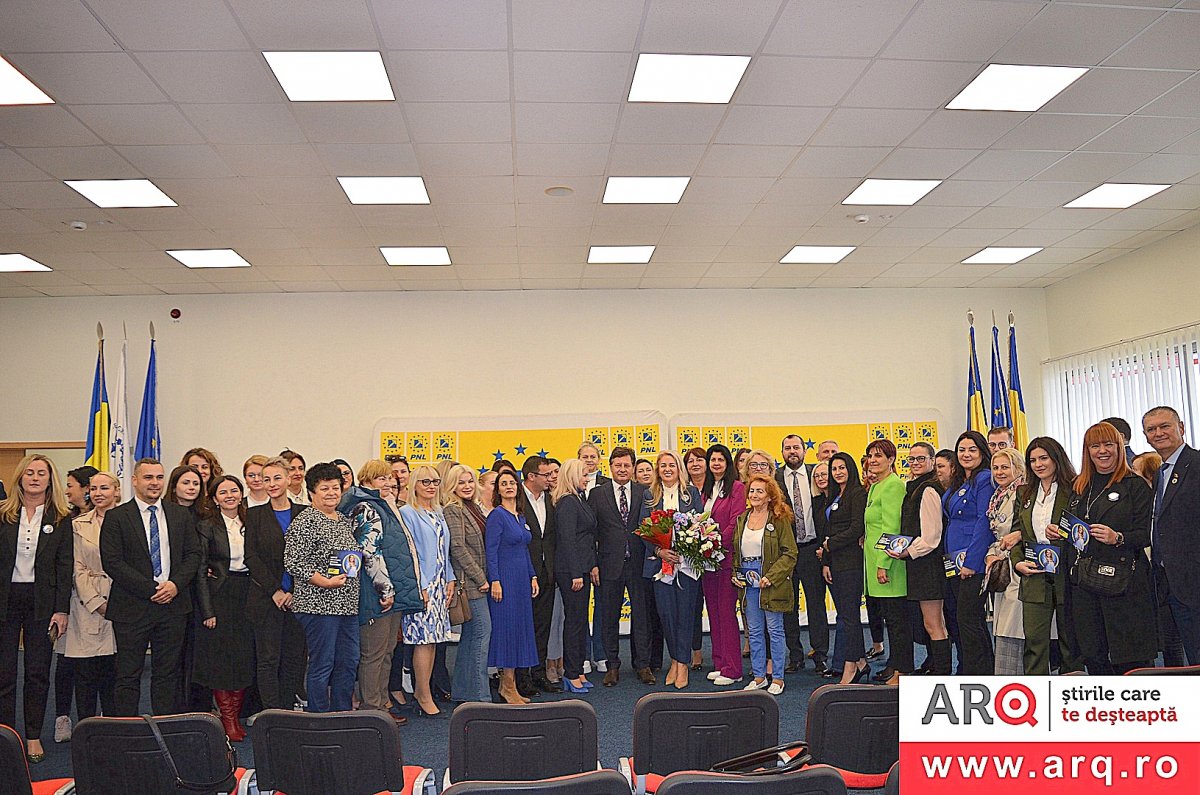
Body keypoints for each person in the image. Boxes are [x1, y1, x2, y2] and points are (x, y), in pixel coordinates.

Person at [100, 458, 201, 717]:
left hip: (173, 606)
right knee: (127, 674)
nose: (155, 483)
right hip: (132, 607)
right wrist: (151, 589)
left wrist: (175, 585)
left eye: (159, 477)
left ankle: (164, 727)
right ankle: (127, 730)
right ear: (134, 481)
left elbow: (193, 555)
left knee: (167, 674)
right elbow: (112, 562)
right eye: (148, 477)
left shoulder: (179, 514)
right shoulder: (116, 517)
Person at [286, 463, 376, 713]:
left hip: (346, 606)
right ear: (311, 492)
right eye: (324, 488)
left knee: (348, 662)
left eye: (335, 487)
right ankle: (319, 718)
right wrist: (324, 581)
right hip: (318, 606)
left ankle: (341, 714)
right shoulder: (305, 521)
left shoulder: (343, 520)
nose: (331, 493)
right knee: (322, 663)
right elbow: (293, 562)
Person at [1067, 422, 1156, 673]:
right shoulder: (1078, 487)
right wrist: (1062, 531)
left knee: (1130, 658)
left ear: (1119, 447)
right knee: (1093, 655)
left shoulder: (1135, 485)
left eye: (1108, 445)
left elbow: (1147, 534)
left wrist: (1118, 538)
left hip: (1125, 585)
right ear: (1087, 450)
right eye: (1095, 446)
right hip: (1085, 585)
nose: (1102, 451)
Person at [0, 455, 72, 763]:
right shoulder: (4, 514)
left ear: (49, 479)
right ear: (20, 477)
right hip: (6, 599)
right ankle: (7, 737)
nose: (34, 477)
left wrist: (62, 609)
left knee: (38, 672)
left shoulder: (61, 518)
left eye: (41, 473)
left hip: (42, 602)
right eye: (29, 472)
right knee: (4, 672)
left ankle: (32, 736)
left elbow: (65, 567)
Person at [342, 460, 422, 724]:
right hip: (374, 592)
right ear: (366, 481)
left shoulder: (384, 505)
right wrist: (385, 589)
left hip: (389, 591)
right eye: (381, 479)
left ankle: (380, 705)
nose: (388, 483)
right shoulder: (366, 507)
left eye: (390, 478)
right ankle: (372, 709)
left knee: (386, 651)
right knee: (374, 654)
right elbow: (369, 553)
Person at [1010, 437, 1083, 675]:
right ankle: (1037, 691)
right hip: (1033, 574)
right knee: (1034, 641)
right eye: (1033, 460)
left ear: (1056, 458)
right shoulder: (1024, 492)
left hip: (1066, 574)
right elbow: (1017, 533)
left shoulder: (1075, 488)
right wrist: (1017, 562)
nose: (1038, 464)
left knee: (1070, 641)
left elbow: (1083, 532)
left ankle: (1071, 687)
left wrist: (1063, 533)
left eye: (1043, 458)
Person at [193, 475, 255, 741]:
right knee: (220, 660)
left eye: (234, 490)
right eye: (223, 492)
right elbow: (199, 570)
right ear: (215, 498)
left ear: (241, 494)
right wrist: (207, 610)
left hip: (248, 593)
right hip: (219, 594)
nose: (229, 496)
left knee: (243, 658)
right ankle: (228, 719)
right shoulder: (207, 526)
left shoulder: (252, 521)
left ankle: (236, 716)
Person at [244, 457, 306, 711]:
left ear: (289, 479)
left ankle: (288, 709)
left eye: (277, 478)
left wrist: (293, 591)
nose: (271, 484)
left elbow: (311, 555)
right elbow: (251, 557)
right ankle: (271, 713)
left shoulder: (304, 513)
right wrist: (276, 590)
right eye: (266, 479)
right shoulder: (254, 515)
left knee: (294, 658)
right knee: (268, 659)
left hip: (299, 598)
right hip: (265, 599)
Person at [590, 446, 655, 686]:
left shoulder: (644, 492)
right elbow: (590, 532)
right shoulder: (597, 494)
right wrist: (593, 564)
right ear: (610, 467)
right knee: (609, 617)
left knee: (642, 616)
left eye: (627, 465)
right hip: (608, 565)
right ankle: (612, 666)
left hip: (639, 564)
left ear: (633, 467)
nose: (622, 469)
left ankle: (643, 665)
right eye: (618, 465)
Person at [640, 450, 703, 690]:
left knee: (685, 615)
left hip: (686, 566)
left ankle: (682, 664)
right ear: (658, 470)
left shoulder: (691, 494)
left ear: (679, 469)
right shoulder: (649, 495)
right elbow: (643, 529)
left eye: (672, 465)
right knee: (666, 615)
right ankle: (675, 660)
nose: (667, 469)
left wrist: (686, 548)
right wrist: (660, 551)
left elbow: (700, 524)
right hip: (660, 566)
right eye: (663, 465)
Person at [1142, 406, 1200, 665]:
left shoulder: (1196, 464)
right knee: (1176, 659)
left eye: (1164, 426)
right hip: (1166, 582)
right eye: (1151, 429)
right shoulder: (1161, 473)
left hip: (1193, 581)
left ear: (1181, 428)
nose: (1158, 433)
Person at [398, 465, 456, 718]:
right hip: (422, 585)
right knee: (422, 640)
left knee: (433, 640)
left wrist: (450, 578)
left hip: (440, 583)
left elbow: (444, 550)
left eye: (435, 481)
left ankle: (425, 691)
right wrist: (419, 585)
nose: (431, 486)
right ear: (414, 484)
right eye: (425, 482)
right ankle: (422, 694)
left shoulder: (438, 511)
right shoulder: (407, 513)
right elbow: (409, 553)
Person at [888, 442, 950, 675]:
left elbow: (932, 537)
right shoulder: (915, 487)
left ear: (932, 461)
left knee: (934, 624)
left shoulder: (929, 489)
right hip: (919, 564)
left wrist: (908, 551)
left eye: (921, 458)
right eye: (911, 459)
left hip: (928, 565)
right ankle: (934, 666)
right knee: (929, 623)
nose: (915, 463)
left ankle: (942, 674)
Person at [734, 475, 797, 695]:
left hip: (771, 581)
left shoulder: (779, 519)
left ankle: (778, 678)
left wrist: (772, 576)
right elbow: (737, 551)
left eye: (760, 491)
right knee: (754, 631)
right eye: (752, 490)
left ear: (770, 496)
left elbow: (790, 553)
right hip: (748, 582)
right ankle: (759, 676)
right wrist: (736, 575)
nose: (754, 495)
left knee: (775, 630)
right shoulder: (742, 518)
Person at [942, 431, 996, 675]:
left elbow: (985, 522)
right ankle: (972, 669)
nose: (966, 454)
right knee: (963, 619)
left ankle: (980, 673)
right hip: (954, 560)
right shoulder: (961, 481)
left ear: (982, 452)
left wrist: (972, 563)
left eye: (972, 449)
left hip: (972, 562)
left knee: (969, 619)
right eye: (961, 450)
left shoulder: (984, 479)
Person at [67, 471, 119, 721]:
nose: (98, 493)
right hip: (86, 603)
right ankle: (85, 729)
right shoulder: (78, 524)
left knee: (114, 675)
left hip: (122, 602)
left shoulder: (128, 520)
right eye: (94, 489)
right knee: (85, 674)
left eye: (104, 488)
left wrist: (117, 603)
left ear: (117, 491)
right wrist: (96, 602)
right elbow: (76, 567)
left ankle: (115, 728)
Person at [775, 435, 827, 676]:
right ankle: (795, 656)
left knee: (816, 605)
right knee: (789, 607)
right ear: (782, 452)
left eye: (796, 447)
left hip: (811, 550)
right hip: (786, 552)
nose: (792, 451)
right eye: (787, 448)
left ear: (804, 451)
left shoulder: (816, 474)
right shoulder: (775, 478)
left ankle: (820, 655)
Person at [486, 469, 539, 704]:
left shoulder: (520, 516)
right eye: (504, 483)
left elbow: (524, 550)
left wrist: (532, 576)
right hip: (505, 581)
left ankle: (511, 684)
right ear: (498, 490)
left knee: (519, 630)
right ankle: (506, 686)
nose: (509, 486)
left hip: (521, 581)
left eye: (512, 483)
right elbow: (491, 551)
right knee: (506, 631)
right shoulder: (497, 516)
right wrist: (495, 580)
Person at [862, 440, 911, 685]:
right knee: (889, 619)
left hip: (889, 564)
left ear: (891, 459)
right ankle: (893, 665)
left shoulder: (893, 485)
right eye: (870, 455)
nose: (873, 460)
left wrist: (884, 563)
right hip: (873, 561)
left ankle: (902, 670)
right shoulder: (876, 485)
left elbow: (892, 527)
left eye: (879, 455)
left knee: (897, 621)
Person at [442, 464, 492, 703]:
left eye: (470, 481)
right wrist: (480, 578)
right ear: (452, 485)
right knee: (481, 635)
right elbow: (458, 548)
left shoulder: (473, 507)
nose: (467, 486)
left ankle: (463, 692)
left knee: (471, 638)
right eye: (461, 482)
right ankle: (480, 697)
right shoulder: (453, 510)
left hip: (477, 581)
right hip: (470, 584)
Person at [53, 465, 95, 743]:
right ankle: (62, 717)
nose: (67, 490)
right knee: (65, 662)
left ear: (86, 488)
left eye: (71, 485)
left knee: (92, 666)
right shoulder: (63, 520)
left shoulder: (107, 519)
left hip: (95, 600)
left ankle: (92, 720)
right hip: (67, 600)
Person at [821, 452, 868, 685]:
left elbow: (857, 528)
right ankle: (861, 662)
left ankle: (850, 666)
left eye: (842, 468)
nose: (838, 472)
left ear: (850, 469)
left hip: (851, 563)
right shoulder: (833, 495)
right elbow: (829, 529)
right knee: (846, 615)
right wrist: (826, 561)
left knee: (849, 616)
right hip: (835, 562)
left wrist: (831, 544)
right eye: (834, 469)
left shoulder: (858, 493)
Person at [552, 459, 598, 694]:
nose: (587, 479)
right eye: (583, 475)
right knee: (574, 622)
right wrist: (575, 573)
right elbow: (567, 541)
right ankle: (571, 673)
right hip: (572, 572)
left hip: (581, 569)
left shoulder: (579, 499)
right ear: (572, 476)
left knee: (579, 621)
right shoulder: (568, 502)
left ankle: (578, 669)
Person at [702, 444, 746, 686]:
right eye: (713, 460)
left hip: (726, 559)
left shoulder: (737, 488)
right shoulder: (706, 490)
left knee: (727, 614)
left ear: (728, 463)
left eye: (721, 459)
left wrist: (715, 543)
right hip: (707, 562)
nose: (716, 463)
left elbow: (735, 522)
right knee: (714, 612)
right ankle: (720, 663)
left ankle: (733, 669)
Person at [985, 447, 1026, 676]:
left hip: (1017, 564)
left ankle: (1013, 680)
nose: (999, 472)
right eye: (995, 468)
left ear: (1018, 468)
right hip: (1001, 562)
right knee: (1004, 627)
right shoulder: (998, 495)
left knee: (1014, 628)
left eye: (1005, 467)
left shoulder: (1022, 493)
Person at [520, 455, 559, 695]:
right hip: (523, 573)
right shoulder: (516, 500)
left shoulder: (551, 499)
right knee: (523, 625)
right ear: (531, 476)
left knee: (543, 625)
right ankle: (522, 677)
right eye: (546, 474)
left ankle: (539, 673)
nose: (551, 478)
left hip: (548, 572)